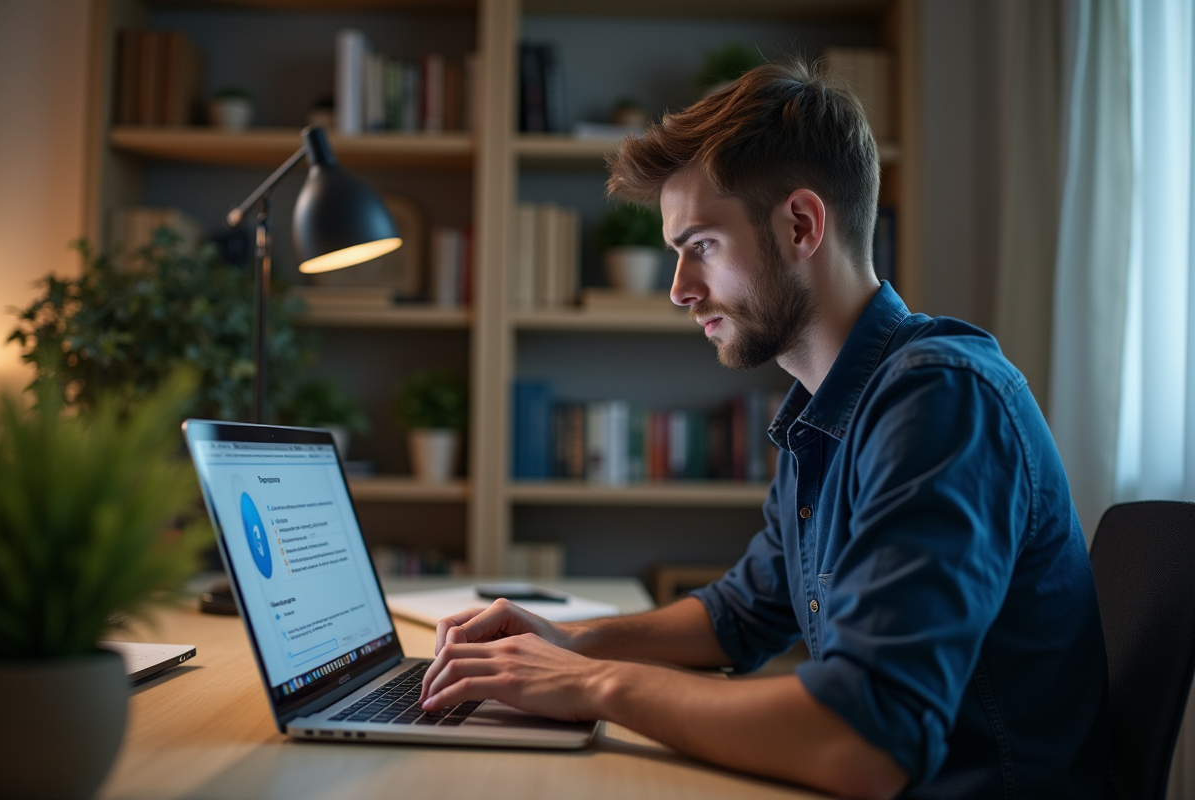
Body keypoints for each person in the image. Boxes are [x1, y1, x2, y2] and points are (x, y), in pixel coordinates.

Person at [418, 60, 1109, 800]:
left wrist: (592, 682)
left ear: (802, 225)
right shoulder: (828, 408)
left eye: (702, 246)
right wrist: (563, 642)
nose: (680, 290)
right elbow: (741, 614)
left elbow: (866, 739)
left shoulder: (940, 401)